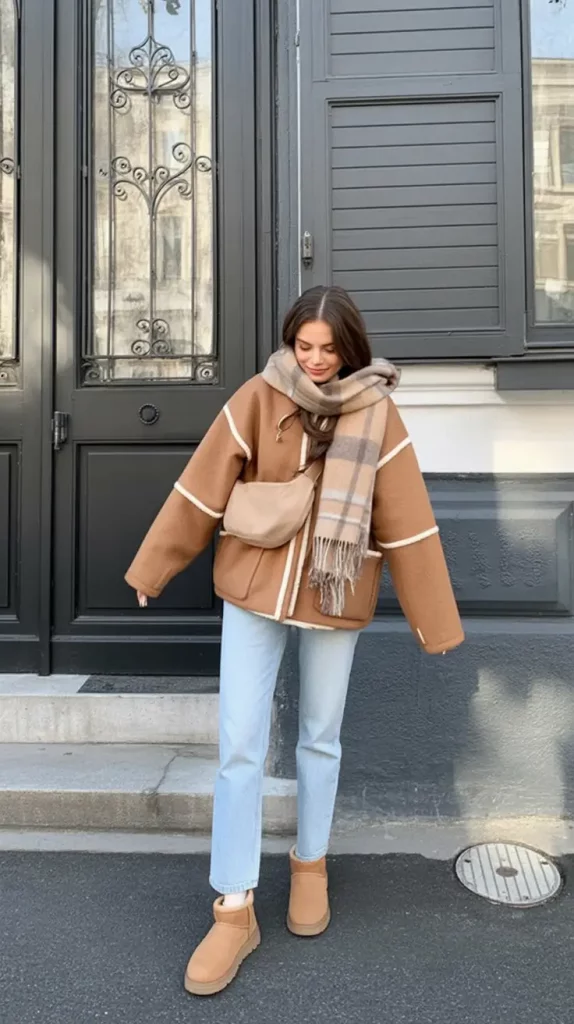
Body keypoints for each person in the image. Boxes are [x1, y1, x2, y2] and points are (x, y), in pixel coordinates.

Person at [125, 285, 464, 997]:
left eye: (327, 348)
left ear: (351, 349)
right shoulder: (258, 395)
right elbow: (203, 485)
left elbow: (407, 518)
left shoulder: (377, 412)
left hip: (335, 592)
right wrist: (155, 565)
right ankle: (234, 906)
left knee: (319, 736)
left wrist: (437, 623)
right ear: (290, 342)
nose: (312, 360)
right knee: (241, 742)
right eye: (303, 345)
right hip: (251, 587)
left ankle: (311, 864)